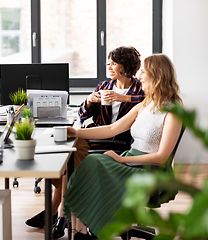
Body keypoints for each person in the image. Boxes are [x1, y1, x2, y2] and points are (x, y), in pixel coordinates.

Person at [25, 46, 145, 239]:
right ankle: (63, 212)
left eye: (113, 63)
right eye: (109, 62)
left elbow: (148, 101)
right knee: (69, 153)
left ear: (125, 66)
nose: (109, 66)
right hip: (95, 136)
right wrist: (89, 101)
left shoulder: (140, 88)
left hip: (118, 141)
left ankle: (58, 212)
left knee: (70, 158)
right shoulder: (104, 86)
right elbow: (82, 113)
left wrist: (123, 97)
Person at [63, 54, 182, 240]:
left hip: (150, 169)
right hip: (130, 160)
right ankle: (81, 231)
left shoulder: (173, 111)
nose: (140, 76)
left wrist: (121, 159)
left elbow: (161, 157)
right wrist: (77, 133)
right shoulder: (146, 104)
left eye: (143, 71)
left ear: (157, 75)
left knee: (93, 163)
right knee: (90, 163)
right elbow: (112, 128)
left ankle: (86, 231)